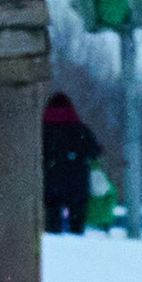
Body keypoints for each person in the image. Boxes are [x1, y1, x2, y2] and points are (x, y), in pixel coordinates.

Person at [41, 91, 102, 235]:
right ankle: (77, 243)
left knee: (52, 216)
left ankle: (54, 236)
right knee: (77, 219)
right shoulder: (79, 129)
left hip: (51, 179)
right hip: (77, 180)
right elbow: (94, 151)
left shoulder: (43, 130)